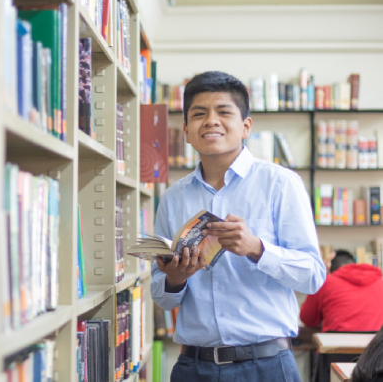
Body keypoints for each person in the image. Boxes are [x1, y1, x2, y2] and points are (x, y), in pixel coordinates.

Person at [150, 71, 326, 382]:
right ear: (187, 131)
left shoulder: (281, 184)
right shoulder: (172, 198)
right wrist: (174, 280)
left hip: (267, 365)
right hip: (193, 367)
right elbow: (162, 297)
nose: (211, 121)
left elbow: (312, 276)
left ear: (246, 127)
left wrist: (257, 249)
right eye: (199, 114)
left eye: (224, 111)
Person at [300, 249, 383, 332]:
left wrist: (322, 272)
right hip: (375, 342)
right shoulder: (379, 282)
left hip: (336, 342)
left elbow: (307, 319)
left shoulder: (326, 282)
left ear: (330, 267)